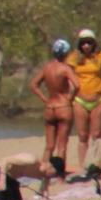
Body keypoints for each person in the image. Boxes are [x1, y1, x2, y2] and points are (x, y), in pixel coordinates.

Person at [69, 28, 101, 176]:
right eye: (83, 43)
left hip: (98, 98)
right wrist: (71, 88)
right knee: (82, 136)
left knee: (96, 135)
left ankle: (96, 165)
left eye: (89, 43)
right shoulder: (74, 58)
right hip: (80, 99)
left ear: (94, 43)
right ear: (80, 44)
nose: (86, 46)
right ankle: (83, 166)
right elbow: (67, 73)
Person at [31, 39, 78, 178]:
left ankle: (43, 174)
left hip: (50, 107)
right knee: (62, 145)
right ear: (67, 53)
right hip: (63, 106)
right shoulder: (65, 68)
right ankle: (60, 176)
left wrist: (45, 99)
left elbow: (33, 85)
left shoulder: (47, 68)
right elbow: (77, 85)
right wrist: (70, 97)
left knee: (49, 146)